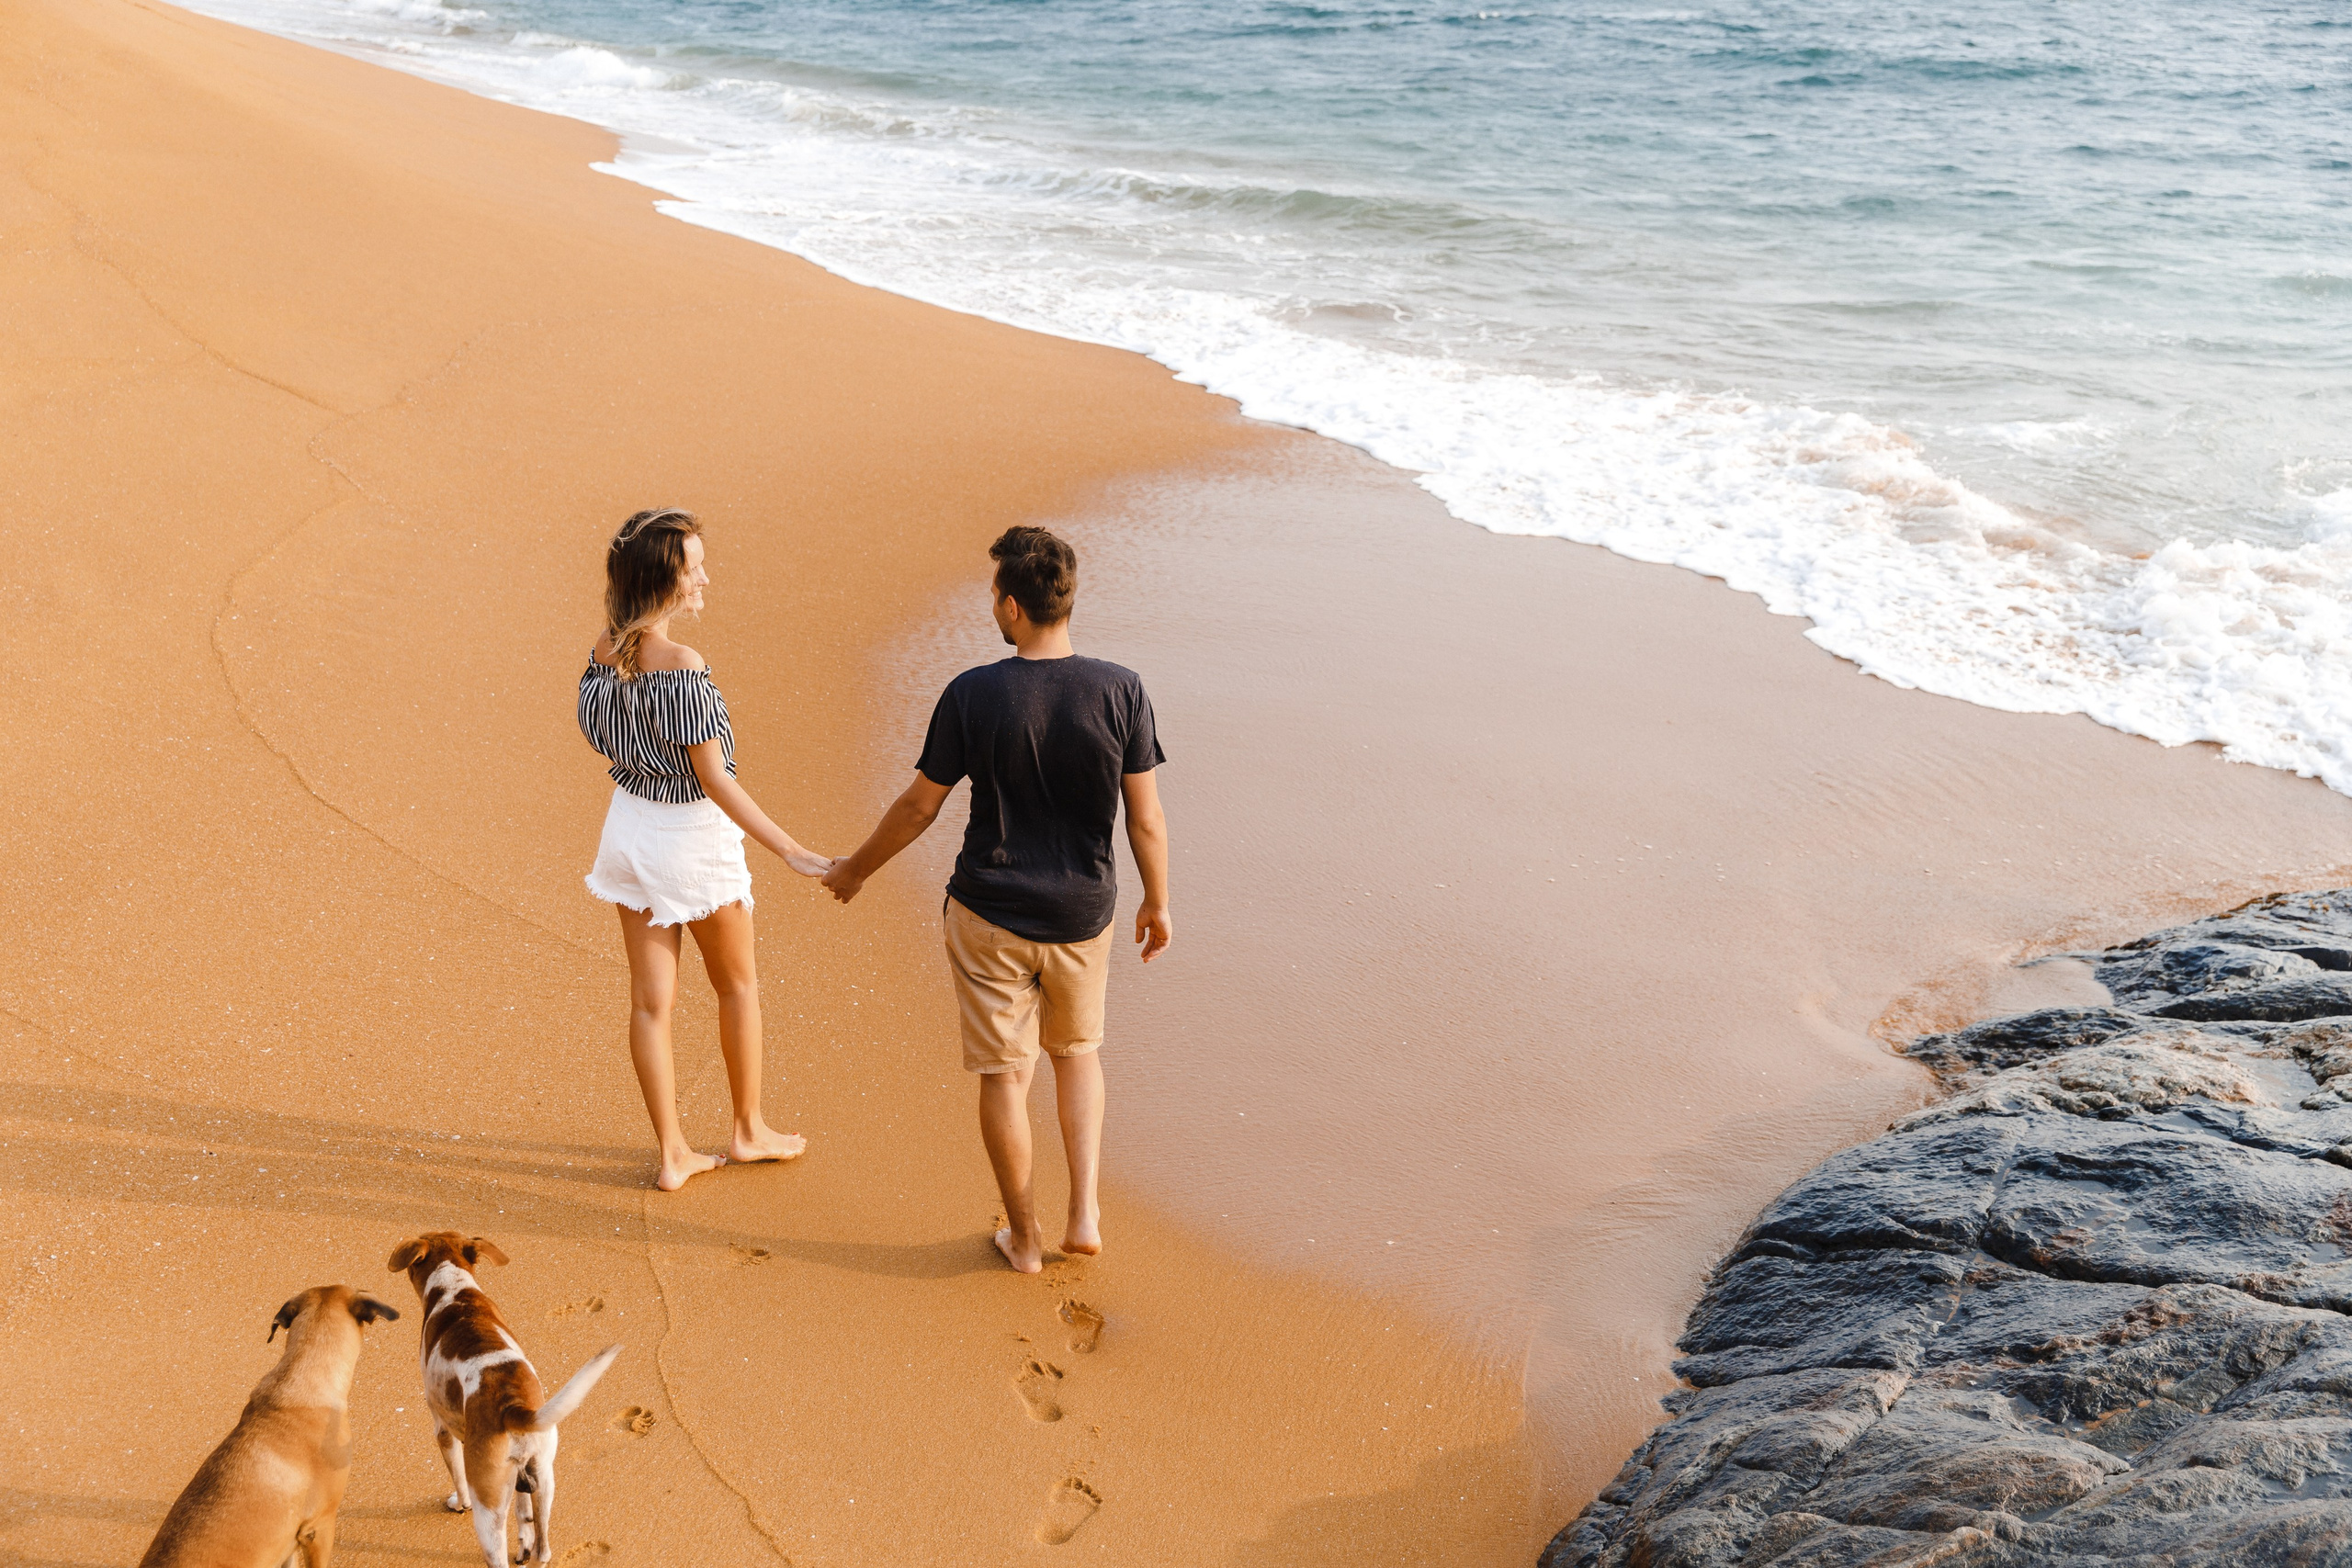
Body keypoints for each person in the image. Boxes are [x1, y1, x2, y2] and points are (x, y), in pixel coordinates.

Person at [822, 525, 1170, 1273]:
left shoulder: (973, 693)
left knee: (1006, 1076)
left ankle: (1025, 1237)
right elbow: (1144, 814)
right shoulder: (1121, 689)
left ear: (1012, 608)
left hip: (989, 913)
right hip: (1083, 914)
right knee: (1078, 1057)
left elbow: (920, 808)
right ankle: (1084, 1212)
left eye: (993, 598)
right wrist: (1158, 899)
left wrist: (855, 869)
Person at [578, 508, 832, 1190]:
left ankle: (672, 1154)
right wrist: (790, 848)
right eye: (694, 568)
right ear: (665, 582)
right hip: (687, 837)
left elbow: (602, 738)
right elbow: (714, 777)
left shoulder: (604, 649)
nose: (704, 577)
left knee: (649, 1002)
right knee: (737, 985)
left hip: (628, 827)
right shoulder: (681, 665)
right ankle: (747, 1130)